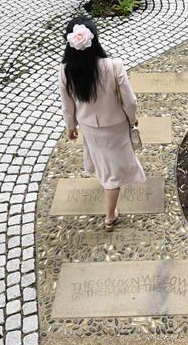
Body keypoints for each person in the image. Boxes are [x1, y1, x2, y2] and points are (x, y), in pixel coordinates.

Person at [57, 17, 145, 230]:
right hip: (115, 124)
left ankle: (106, 182)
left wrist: (71, 126)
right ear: (95, 40)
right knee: (112, 176)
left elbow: (67, 104)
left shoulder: (66, 70)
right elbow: (130, 100)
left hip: (89, 126)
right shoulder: (114, 66)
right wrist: (132, 119)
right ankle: (110, 216)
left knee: (103, 162)